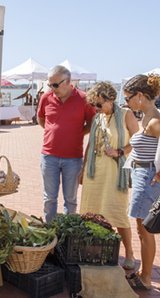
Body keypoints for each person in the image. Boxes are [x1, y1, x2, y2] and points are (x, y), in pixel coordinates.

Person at [79, 82, 138, 270]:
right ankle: (95, 250)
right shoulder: (98, 118)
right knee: (92, 212)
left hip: (115, 172)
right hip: (94, 172)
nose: (96, 108)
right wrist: (83, 168)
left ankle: (129, 252)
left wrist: (120, 151)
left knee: (117, 212)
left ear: (110, 99)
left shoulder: (126, 115)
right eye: (93, 105)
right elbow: (90, 145)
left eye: (99, 104)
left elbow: (138, 142)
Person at [37, 65, 95, 224]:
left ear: (68, 82)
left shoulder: (84, 99)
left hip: (73, 158)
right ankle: (50, 231)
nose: (51, 88)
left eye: (55, 84)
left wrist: (77, 133)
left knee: (70, 200)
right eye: (50, 84)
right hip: (49, 157)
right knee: (49, 199)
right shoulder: (46, 98)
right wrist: (53, 131)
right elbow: (41, 119)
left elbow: (92, 123)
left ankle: (67, 235)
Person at [122, 74, 160, 290]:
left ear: (139, 96)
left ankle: (146, 277)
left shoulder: (154, 121)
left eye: (128, 98)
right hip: (141, 175)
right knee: (141, 227)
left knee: (145, 229)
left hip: (148, 179)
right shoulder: (147, 117)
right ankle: (144, 272)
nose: (127, 103)